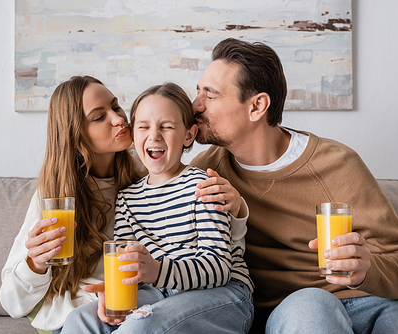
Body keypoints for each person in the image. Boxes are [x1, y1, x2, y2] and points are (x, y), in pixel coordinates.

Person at [189, 38, 398, 333]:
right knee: (312, 306)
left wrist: (368, 268)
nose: (194, 106)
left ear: (257, 106)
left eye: (209, 95)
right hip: (298, 306)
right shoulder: (205, 172)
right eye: (197, 91)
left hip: (372, 301)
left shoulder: (335, 163)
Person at [0, 76, 243, 333]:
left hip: (180, 289)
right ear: (75, 134)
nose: (118, 119)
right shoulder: (58, 197)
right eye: (98, 117)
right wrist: (34, 264)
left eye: (115, 107)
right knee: (81, 322)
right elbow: (12, 302)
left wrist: (235, 209)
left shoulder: (151, 171)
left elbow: (219, 256)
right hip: (96, 303)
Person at [62, 82, 254, 334]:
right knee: (80, 319)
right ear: (134, 133)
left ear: (189, 135)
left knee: (141, 326)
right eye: (143, 126)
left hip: (224, 293)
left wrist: (157, 271)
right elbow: (124, 266)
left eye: (167, 126)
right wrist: (114, 291)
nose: (154, 135)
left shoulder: (203, 186)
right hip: (159, 293)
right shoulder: (127, 198)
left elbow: (218, 268)